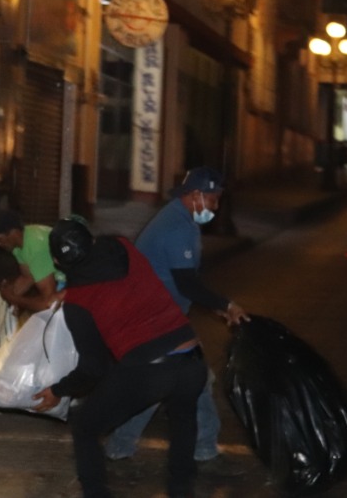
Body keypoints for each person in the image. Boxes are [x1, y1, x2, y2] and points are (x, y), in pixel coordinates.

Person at [32, 218, 207, 498]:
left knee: (86, 427)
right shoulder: (123, 246)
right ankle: (181, 491)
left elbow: (93, 368)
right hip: (192, 358)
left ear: (56, 262)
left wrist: (58, 390)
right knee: (183, 418)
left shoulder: (77, 303)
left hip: (149, 371)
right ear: (91, 240)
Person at [104, 166, 247, 473]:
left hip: (157, 315)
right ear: (195, 195)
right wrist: (226, 304)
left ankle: (122, 444)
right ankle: (201, 446)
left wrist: (215, 307)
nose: (215, 207)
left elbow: (184, 281)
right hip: (153, 317)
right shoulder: (176, 227)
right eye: (213, 199)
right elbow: (186, 283)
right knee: (191, 378)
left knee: (173, 380)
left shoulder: (180, 218)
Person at [0, 208, 65, 311]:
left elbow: (48, 303)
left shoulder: (36, 248)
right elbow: (28, 277)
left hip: (78, 283)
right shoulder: (22, 241)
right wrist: (6, 294)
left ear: (13, 232)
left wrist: (14, 299)